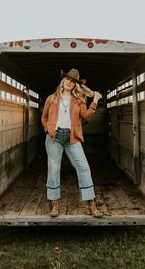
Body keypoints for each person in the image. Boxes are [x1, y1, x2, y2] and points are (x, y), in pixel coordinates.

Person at [41, 68, 103, 218]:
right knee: (54, 169)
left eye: (73, 81)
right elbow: (43, 117)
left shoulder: (79, 100)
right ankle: (54, 203)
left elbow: (87, 116)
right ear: (63, 81)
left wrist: (94, 101)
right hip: (54, 139)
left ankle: (91, 204)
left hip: (72, 138)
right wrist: (48, 129)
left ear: (75, 85)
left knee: (84, 168)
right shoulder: (51, 98)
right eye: (68, 79)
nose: (69, 82)